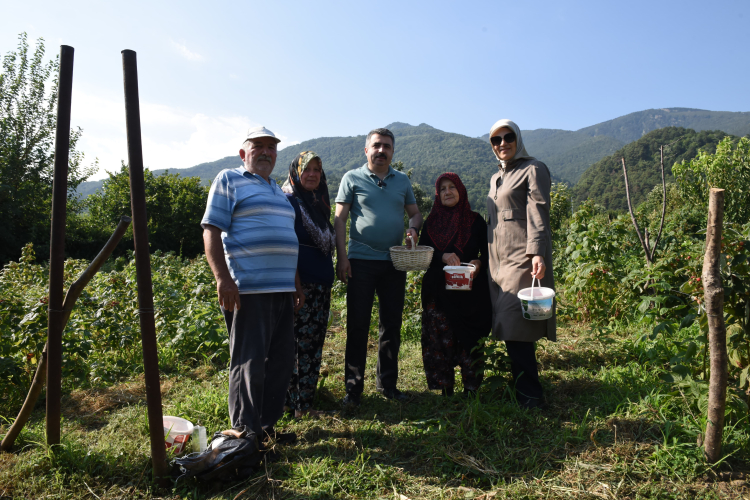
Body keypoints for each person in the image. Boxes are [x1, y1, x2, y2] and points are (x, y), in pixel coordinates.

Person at [201, 126, 305, 444]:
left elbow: (288, 240)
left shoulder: (279, 191)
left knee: (281, 361)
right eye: (257, 146)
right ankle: (245, 432)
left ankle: (266, 428)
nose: (265, 151)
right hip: (248, 289)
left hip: (282, 291)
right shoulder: (229, 179)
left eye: (271, 147)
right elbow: (211, 231)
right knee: (249, 362)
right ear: (243, 153)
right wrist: (222, 278)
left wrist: (296, 283)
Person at [334, 128, 423, 406]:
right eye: (376, 146)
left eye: (387, 146)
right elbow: (339, 220)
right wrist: (342, 257)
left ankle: (388, 384)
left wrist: (413, 229)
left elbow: (416, 213)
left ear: (393, 152)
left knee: (391, 325)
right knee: (357, 325)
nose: (381, 150)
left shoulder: (402, 181)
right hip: (360, 261)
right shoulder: (352, 178)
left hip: (394, 263)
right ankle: (353, 389)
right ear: (366, 150)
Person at [486, 119, 556, 409]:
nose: (503, 143)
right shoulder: (496, 177)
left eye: (508, 137)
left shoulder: (533, 168)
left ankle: (531, 396)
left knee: (515, 321)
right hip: (497, 259)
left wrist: (537, 252)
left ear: (518, 138)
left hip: (521, 256)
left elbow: (538, 211)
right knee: (507, 321)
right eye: (496, 140)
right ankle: (521, 388)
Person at [418, 173, 492, 397]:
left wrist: (479, 262)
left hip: (470, 294)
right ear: (437, 194)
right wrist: (442, 256)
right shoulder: (431, 222)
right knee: (440, 341)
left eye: (452, 187)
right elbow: (423, 254)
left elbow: (489, 253)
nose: (447, 192)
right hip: (438, 293)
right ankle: (446, 390)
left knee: (469, 341)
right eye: (442, 189)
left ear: (461, 190)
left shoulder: (475, 221)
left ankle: (471, 388)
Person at [280, 151, 336, 418]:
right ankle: (293, 404)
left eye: (317, 169)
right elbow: (285, 246)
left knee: (313, 345)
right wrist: (296, 286)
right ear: (295, 172)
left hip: (321, 287)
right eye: (307, 169)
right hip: (301, 287)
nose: (313, 174)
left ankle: (306, 402)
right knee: (296, 345)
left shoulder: (319, 204)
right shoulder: (289, 202)